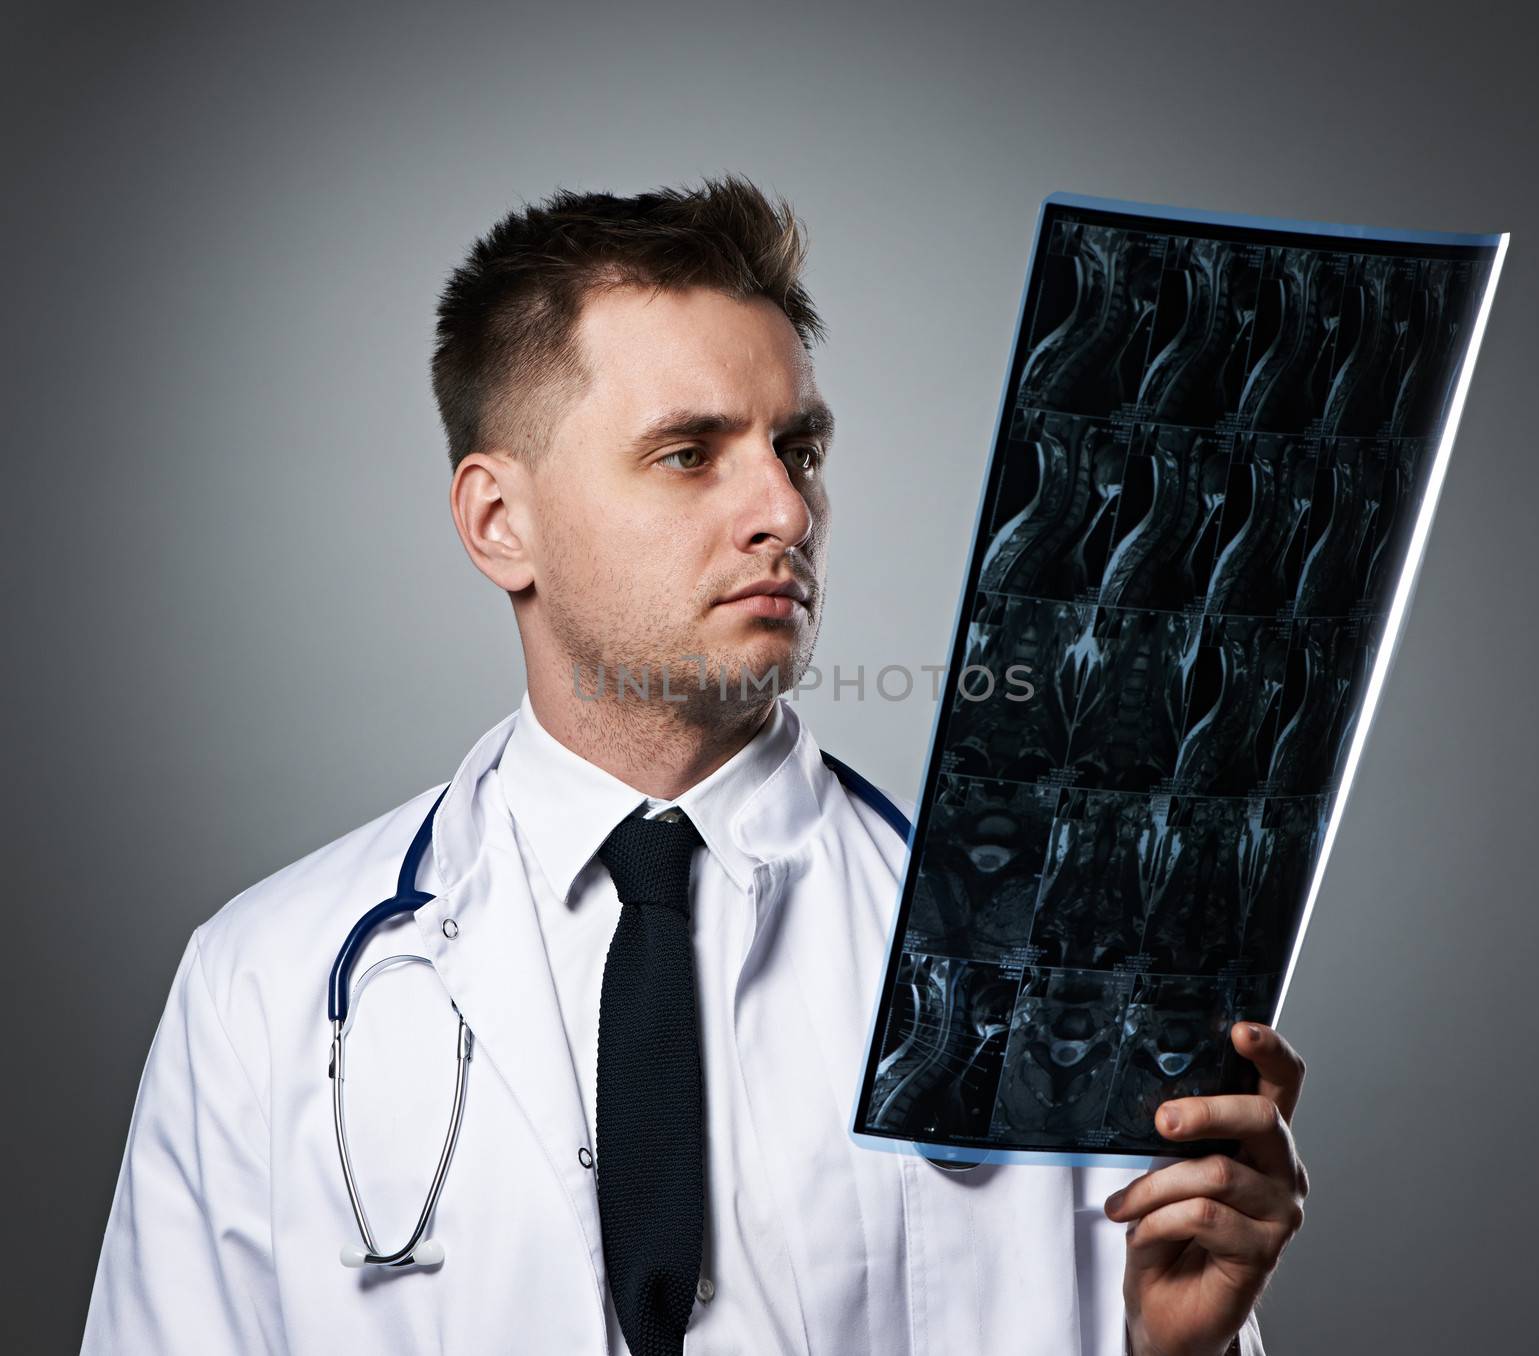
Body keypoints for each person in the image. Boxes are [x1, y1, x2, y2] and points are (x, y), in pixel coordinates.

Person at [80, 174, 1307, 1356]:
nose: (783, 508)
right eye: (689, 453)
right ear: (498, 521)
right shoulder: (261, 985)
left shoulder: (1047, 956)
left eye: (800, 449)